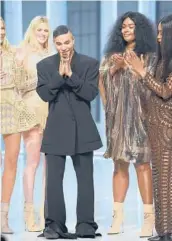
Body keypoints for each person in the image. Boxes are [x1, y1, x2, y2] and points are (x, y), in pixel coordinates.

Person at [36, 25, 102, 239]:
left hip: (82, 128)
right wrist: (59, 76)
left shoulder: (89, 63)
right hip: (55, 128)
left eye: (67, 42)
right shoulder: (45, 65)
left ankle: (85, 225)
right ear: (54, 44)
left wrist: (71, 76)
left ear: (73, 41)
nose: (63, 47)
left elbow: (90, 94)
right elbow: (45, 95)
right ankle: (54, 224)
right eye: (59, 43)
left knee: (85, 180)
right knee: (53, 180)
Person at [99, 12, 156, 237]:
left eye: (131, 26)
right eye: (123, 27)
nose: (126, 30)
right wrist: (115, 68)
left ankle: (148, 219)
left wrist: (133, 68)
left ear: (139, 29)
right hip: (119, 121)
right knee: (119, 166)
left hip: (142, 120)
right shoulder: (112, 56)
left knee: (143, 165)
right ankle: (117, 219)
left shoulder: (150, 56)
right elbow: (102, 84)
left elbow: (151, 85)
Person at [125, 14, 172, 241]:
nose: (159, 37)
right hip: (155, 129)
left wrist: (143, 73)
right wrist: (139, 75)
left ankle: (168, 232)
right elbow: (151, 91)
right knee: (160, 184)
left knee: (166, 184)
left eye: (163, 33)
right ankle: (163, 231)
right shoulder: (161, 61)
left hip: (167, 130)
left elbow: (164, 91)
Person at [0, 17, 38, 234]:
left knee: (12, 162)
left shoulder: (12, 55)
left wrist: (44, 76)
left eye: (3, 28)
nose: (1, 32)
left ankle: (3, 218)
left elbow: (23, 84)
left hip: (12, 109)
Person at [17, 16, 51, 232]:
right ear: (32, 30)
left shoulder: (51, 54)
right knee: (32, 163)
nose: (42, 34)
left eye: (46, 30)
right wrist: (38, 80)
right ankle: (29, 213)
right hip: (30, 111)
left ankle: (46, 213)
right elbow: (18, 85)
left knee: (50, 166)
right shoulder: (21, 52)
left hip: (51, 112)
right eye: (39, 29)